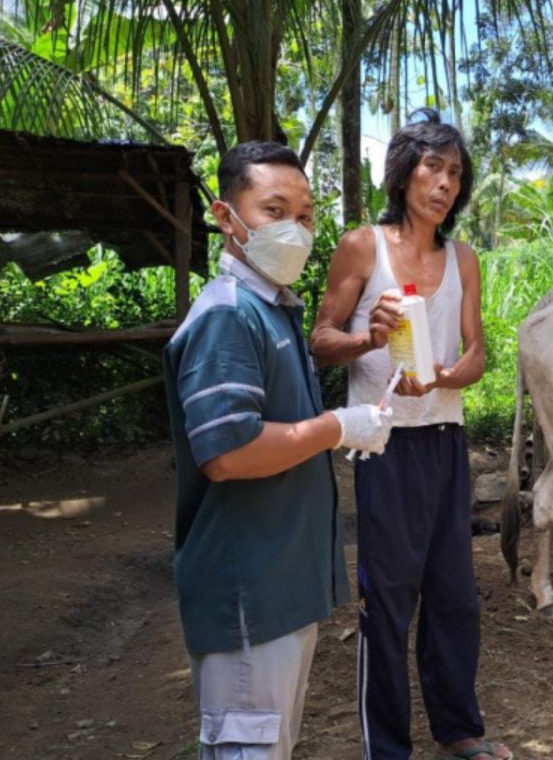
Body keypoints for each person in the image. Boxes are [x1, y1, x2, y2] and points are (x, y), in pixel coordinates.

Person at [163, 141, 393, 760]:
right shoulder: (228, 317)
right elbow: (230, 453)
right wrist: (337, 427)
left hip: (280, 591)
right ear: (224, 216)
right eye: (273, 209)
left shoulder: (273, 312)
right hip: (248, 598)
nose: (295, 228)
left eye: (307, 214)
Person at [310, 109, 513, 760]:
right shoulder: (361, 247)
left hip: (445, 442)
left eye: (455, 173)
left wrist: (447, 376)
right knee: (388, 600)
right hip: (384, 445)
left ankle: (460, 732)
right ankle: (387, 748)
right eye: (433, 167)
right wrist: (367, 336)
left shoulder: (464, 259)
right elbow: (319, 341)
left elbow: (479, 355)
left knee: (454, 594)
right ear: (404, 173)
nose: (445, 183)